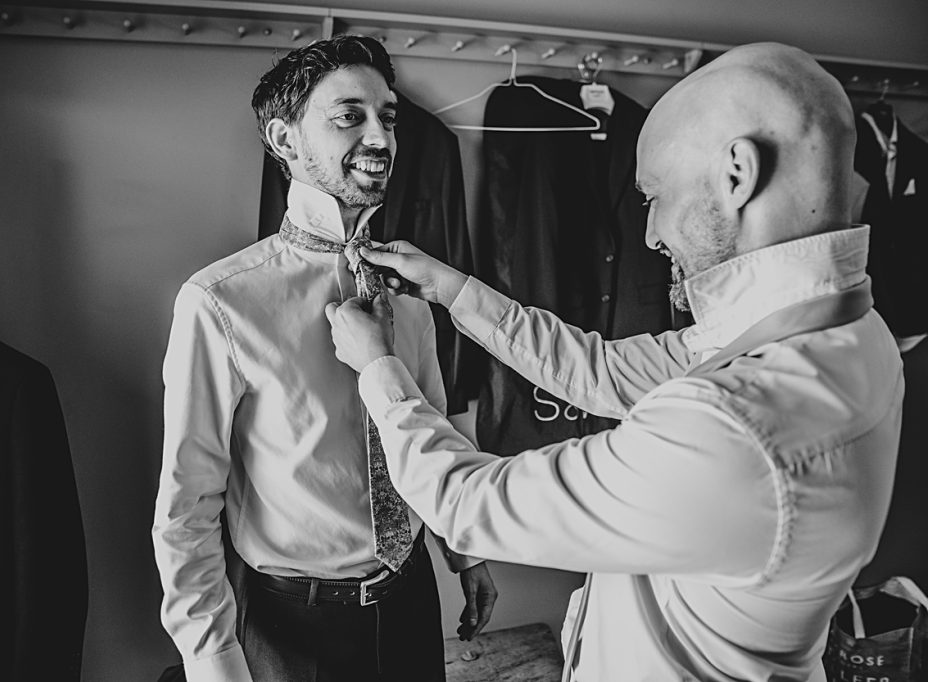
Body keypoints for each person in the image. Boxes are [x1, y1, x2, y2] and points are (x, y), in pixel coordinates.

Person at [325, 42, 904, 681]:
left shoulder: (736, 426)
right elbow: (603, 371)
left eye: (654, 194)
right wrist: (452, 289)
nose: (651, 234)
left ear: (737, 174)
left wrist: (378, 366)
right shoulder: (846, 332)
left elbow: (469, 505)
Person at [153, 35, 496, 682]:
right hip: (292, 627)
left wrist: (465, 553)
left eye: (388, 117)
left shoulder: (410, 284)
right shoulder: (221, 302)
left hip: (410, 598)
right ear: (285, 140)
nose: (382, 137)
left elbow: (431, 425)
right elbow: (187, 502)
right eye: (350, 116)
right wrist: (212, 662)